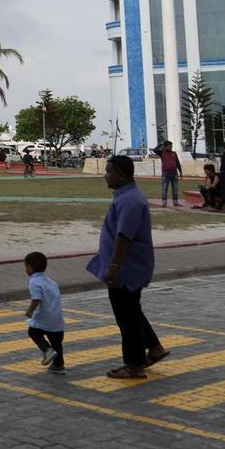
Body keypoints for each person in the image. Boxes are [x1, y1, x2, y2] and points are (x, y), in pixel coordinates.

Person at [87, 155, 166, 379]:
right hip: (127, 266)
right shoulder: (126, 196)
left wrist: (113, 266)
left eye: (108, 172)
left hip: (126, 268)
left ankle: (134, 365)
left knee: (126, 317)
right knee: (131, 310)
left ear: (121, 174)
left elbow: (124, 237)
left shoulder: (130, 200)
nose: (105, 175)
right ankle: (155, 348)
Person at [22, 251, 66, 374]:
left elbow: (36, 299)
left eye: (25, 267)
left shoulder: (34, 282)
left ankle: (47, 351)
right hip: (57, 320)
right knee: (56, 343)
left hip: (44, 318)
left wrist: (30, 311)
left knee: (33, 331)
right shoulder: (51, 282)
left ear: (30, 268)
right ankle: (58, 365)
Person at [158, 139, 181, 207]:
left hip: (174, 173)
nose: (171, 147)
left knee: (175, 188)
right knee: (164, 188)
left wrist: (180, 170)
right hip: (166, 173)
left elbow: (177, 162)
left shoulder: (174, 153)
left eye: (171, 146)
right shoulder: (162, 152)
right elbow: (154, 150)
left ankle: (175, 202)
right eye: (170, 146)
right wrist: (161, 144)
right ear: (165, 147)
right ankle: (164, 202)